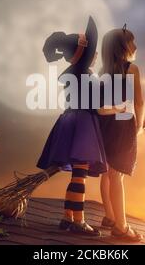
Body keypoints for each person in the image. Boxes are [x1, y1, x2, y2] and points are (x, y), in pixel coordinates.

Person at [36, 16, 118, 236]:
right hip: (83, 125)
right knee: (79, 174)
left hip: (70, 121)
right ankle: (78, 220)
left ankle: (68, 216)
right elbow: (100, 107)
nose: (97, 55)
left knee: (77, 174)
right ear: (83, 56)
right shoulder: (85, 76)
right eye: (92, 52)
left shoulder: (75, 75)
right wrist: (118, 109)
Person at [97, 25, 145, 241]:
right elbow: (138, 103)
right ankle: (122, 227)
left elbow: (107, 106)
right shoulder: (131, 70)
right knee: (117, 176)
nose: (135, 45)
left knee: (107, 173)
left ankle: (111, 216)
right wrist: (139, 126)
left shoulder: (102, 73)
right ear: (123, 47)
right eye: (132, 41)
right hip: (123, 124)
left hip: (106, 125)